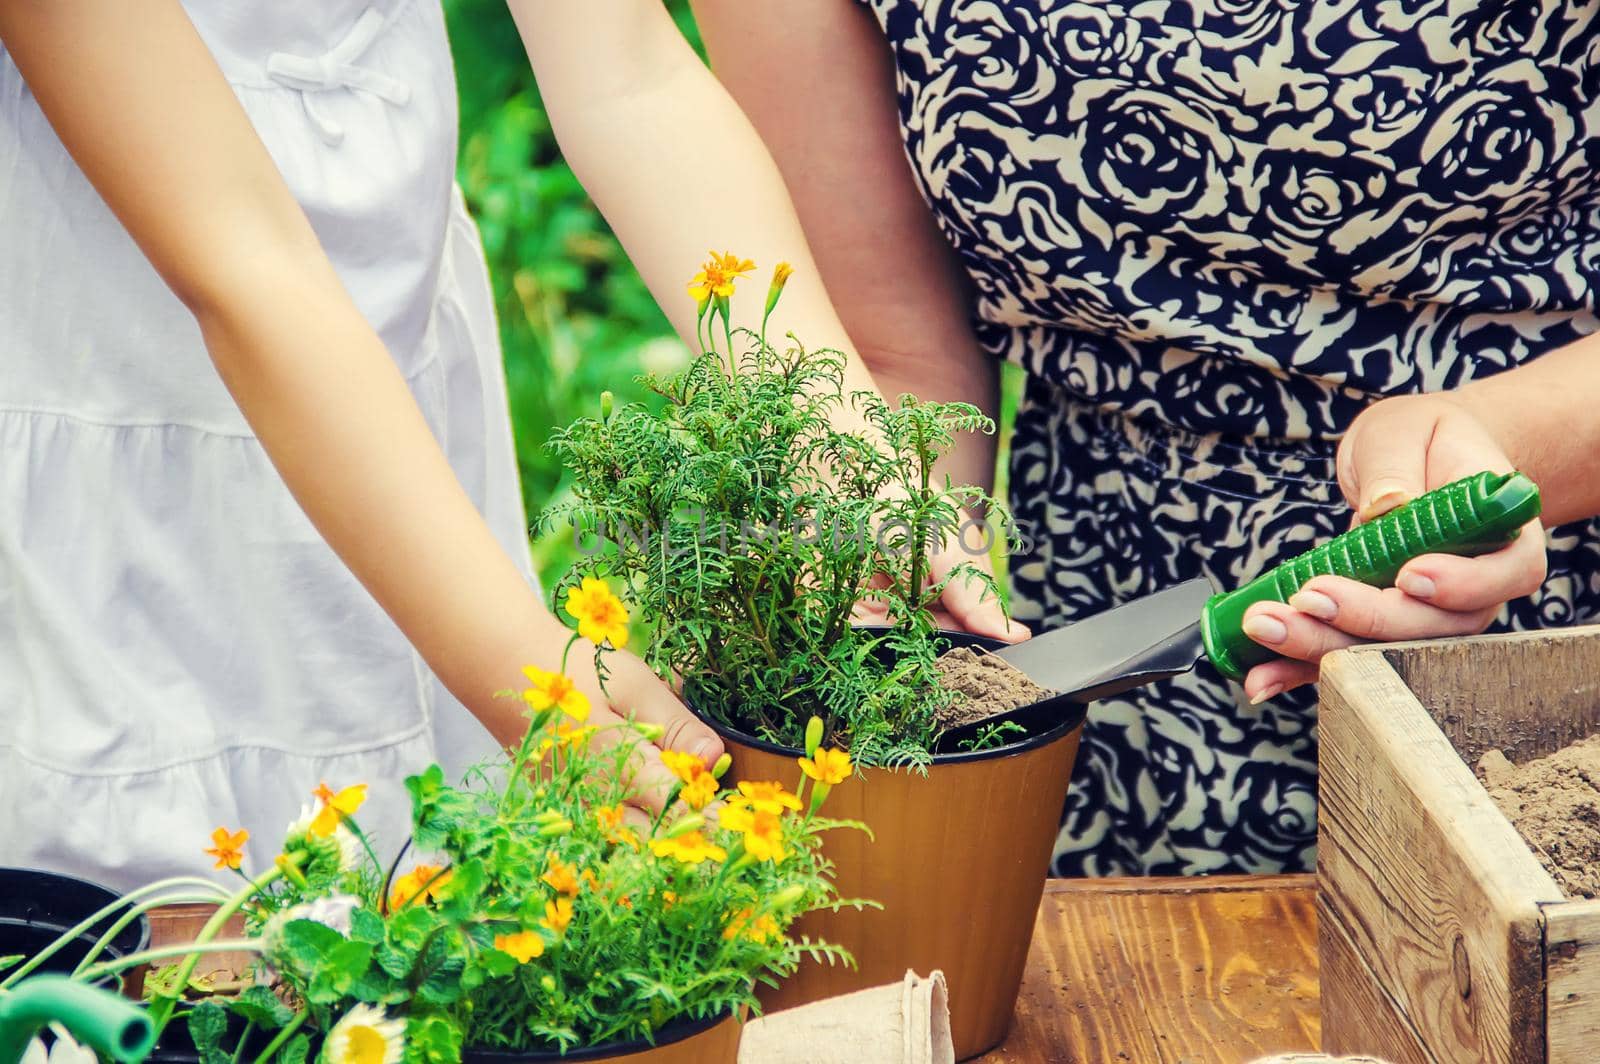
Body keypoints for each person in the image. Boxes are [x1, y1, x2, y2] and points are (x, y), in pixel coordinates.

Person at [0, 0, 1014, 889]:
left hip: (395, 372)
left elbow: (630, 74)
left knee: (427, 901)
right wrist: (531, 673)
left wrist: (838, 435)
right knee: (176, 925)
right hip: (129, 415)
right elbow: (248, 266)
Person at [687, 0, 1600, 875]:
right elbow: (892, 352)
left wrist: (1496, 433)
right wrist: (884, 558)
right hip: (1090, 607)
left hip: (1530, 614)